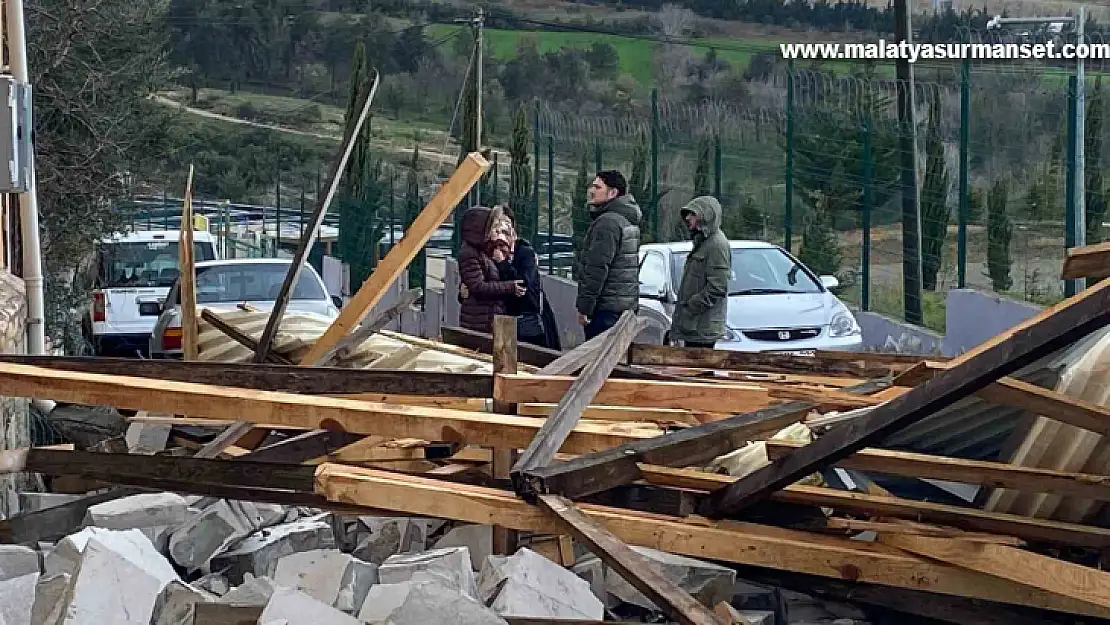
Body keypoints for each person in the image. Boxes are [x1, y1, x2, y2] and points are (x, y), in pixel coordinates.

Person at [460, 206, 562, 350]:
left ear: (513, 232)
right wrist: (464, 291)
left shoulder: (525, 253)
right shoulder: (487, 251)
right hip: (500, 321)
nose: (500, 234)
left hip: (525, 322)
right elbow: (477, 282)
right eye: (497, 228)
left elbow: (523, 286)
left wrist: (503, 264)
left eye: (506, 229)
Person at [573, 170, 642, 340]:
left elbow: (596, 270)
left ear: (613, 193)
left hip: (604, 310)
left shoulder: (607, 223)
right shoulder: (626, 219)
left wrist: (585, 308)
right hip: (622, 309)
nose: (591, 190)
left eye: (597, 187)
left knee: (596, 362)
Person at [670, 195, 731, 349]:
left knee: (699, 369)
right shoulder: (703, 241)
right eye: (687, 214)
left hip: (702, 328)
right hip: (694, 327)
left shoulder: (716, 245)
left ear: (706, 215)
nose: (688, 218)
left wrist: (691, 306)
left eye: (693, 214)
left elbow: (718, 287)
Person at [457, 205, 526, 334]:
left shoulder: (488, 250)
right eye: (494, 228)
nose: (497, 232)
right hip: (480, 322)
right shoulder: (470, 253)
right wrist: (510, 287)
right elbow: (478, 287)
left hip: (491, 318)